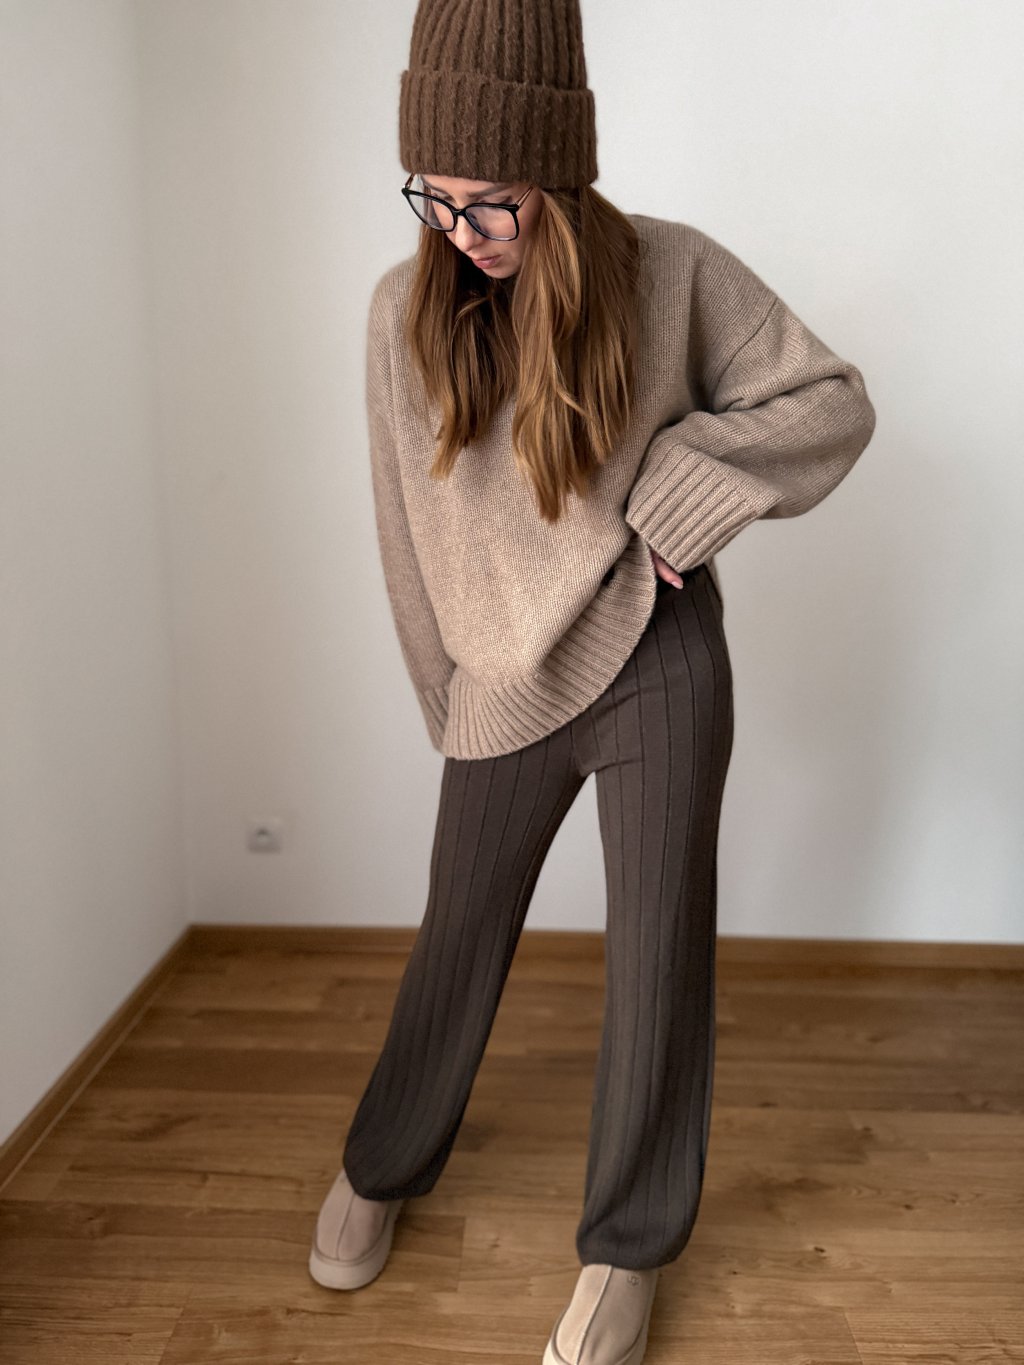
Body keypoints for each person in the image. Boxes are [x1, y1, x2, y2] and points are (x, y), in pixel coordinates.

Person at [309, 2, 877, 1362]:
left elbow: (831, 400)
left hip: (656, 659)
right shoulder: (400, 312)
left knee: (660, 953)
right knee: (458, 931)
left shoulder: (672, 272)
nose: (461, 231)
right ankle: (383, 1162)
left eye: (491, 201)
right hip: (503, 676)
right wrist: (446, 696)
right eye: (432, 197)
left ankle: (628, 1250)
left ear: (558, 174)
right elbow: (403, 533)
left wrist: (689, 483)